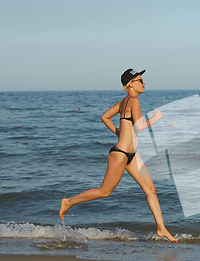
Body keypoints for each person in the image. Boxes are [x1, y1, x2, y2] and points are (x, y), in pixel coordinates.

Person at [59, 69, 178, 243]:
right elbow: (141, 125)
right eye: (140, 80)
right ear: (131, 83)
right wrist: (156, 118)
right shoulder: (134, 101)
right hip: (120, 154)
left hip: (131, 155)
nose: (143, 83)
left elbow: (105, 117)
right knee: (104, 192)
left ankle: (161, 228)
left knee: (150, 189)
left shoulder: (124, 102)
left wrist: (119, 133)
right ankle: (68, 202)